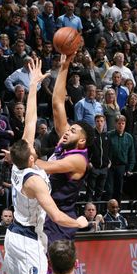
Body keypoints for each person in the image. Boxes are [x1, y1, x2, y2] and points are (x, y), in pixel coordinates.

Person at [0, 59, 88, 274]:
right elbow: (56, 214)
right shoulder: (35, 179)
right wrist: (79, 220)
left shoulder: (21, 162)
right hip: (28, 239)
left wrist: (34, 84)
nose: (35, 143)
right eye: (35, 147)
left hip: (13, 236)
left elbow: (31, 119)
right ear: (32, 156)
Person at [37, 53, 91, 245]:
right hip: (46, 213)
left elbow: (45, 167)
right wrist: (64, 66)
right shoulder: (66, 142)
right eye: (69, 128)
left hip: (60, 219)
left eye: (73, 131)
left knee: (57, 272)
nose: (67, 132)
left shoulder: (78, 160)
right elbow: (57, 103)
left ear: (82, 142)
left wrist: (23, 159)